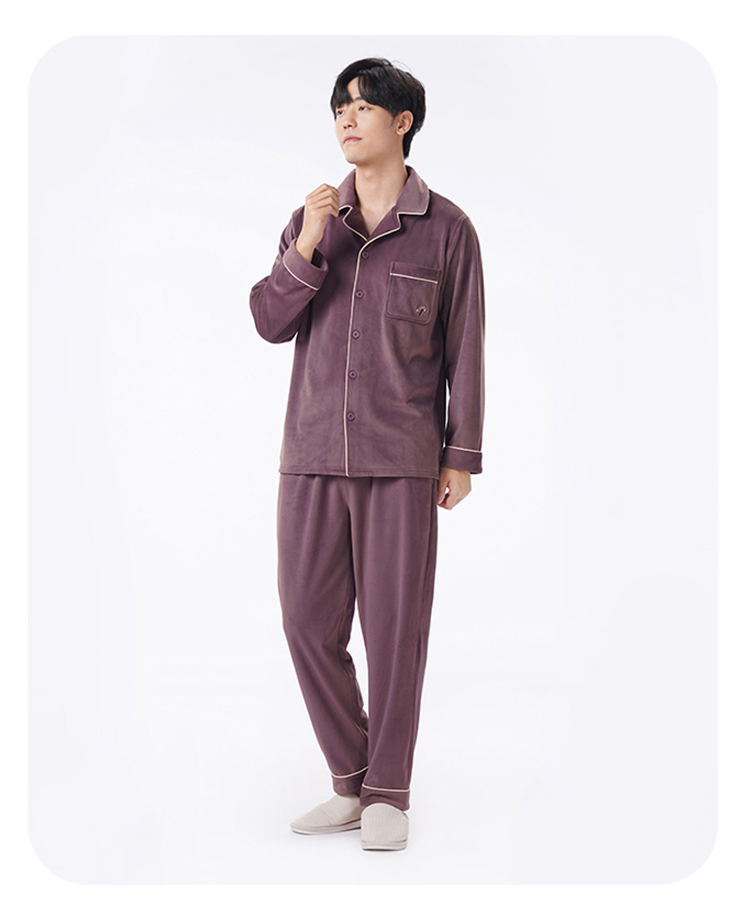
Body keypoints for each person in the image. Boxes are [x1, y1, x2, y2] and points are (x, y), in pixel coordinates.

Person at [249, 57, 485, 851]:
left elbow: (465, 348)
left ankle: (387, 793)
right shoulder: (312, 221)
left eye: (362, 106)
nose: (346, 119)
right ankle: (352, 779)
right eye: (338, 108)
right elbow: (269, 321)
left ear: (402, 121)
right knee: (305, 622)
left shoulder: (448, 230)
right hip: (312, 454)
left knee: (395, 631)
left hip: (401, 459)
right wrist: (309, 245)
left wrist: (461, 454)